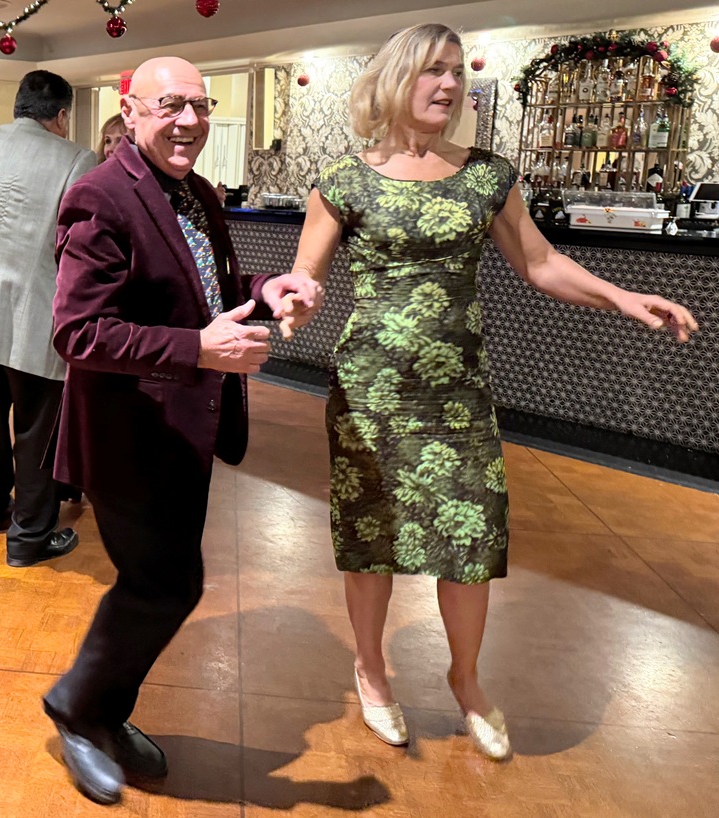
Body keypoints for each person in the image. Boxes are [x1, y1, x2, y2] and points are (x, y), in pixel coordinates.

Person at [279, 23, 698, 760]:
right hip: (372, 392)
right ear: (395, 79)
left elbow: (540, 263)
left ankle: (467, 679)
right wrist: (295, 302)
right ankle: (371, 671)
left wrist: (622, 296)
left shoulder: (487, 175)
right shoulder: (343, 179)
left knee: (471, 533)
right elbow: (306, 276)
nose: (448, 85)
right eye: (431, 71)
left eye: (455, 72)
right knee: (372, 536)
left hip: (459, 392)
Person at [42, 56, 321, 805]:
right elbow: (78, 332)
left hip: (181, 433)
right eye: (170, 106)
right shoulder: (99, 197)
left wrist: (265, 287)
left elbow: (209, 288)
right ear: (131, 112)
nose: (190, 121)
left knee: (163, 582)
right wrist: (196, 348)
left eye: (200, 105)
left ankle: (98, 710)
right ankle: (78, 708)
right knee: (164, 584)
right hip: (126, 435)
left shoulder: (196, 192)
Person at [0, 70, 96, 567]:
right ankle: (29, 537)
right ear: (62, 115)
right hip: (33, 314)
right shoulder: (76, 158)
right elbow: (78, 248)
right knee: (37, 433)